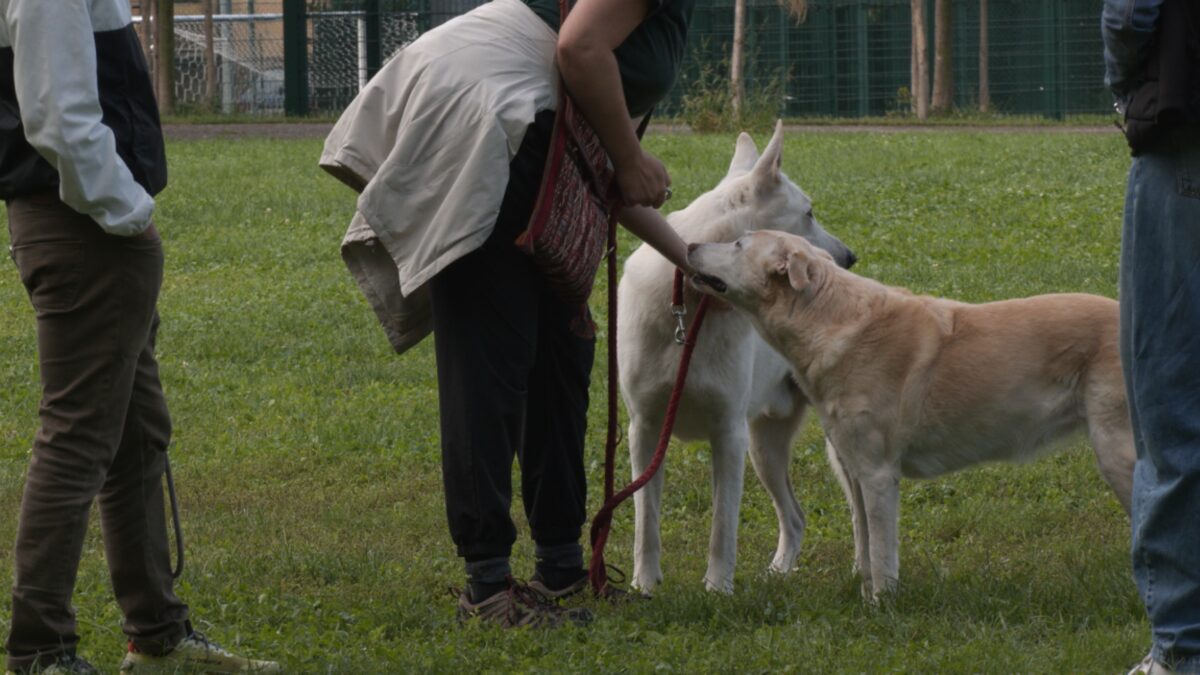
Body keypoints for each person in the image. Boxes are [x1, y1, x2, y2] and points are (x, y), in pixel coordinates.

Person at [321, 0, 694, 627]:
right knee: (489, 359)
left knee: (561, 351)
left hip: (537, 130)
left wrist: (690, 258)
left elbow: (602, 167)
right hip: (491, 117)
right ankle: (488, 588)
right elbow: (578, 48)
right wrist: (631, 157)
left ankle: (560, 567)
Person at [0, 2, 278, 672]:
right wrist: (128, 212)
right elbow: (58, 117)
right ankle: (40, 649)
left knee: (135, 431)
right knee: (79, 436)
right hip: (83, 226)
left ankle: (156, 635)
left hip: (81, 223)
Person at [1102, 0, 1200, 673]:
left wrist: (1126, 89)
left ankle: (1182, 647)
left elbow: (1131, 13)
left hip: (1184, 145)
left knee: (1170, 411)